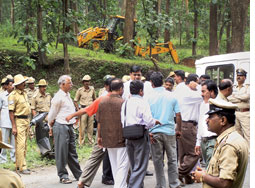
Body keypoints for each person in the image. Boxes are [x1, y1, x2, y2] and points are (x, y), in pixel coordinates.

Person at [66, 77, 114, 188]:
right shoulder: (117, 98)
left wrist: (72, 115)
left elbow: (88, 110)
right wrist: (73, 115)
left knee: (96, 156)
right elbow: (87, 109)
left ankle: (82, 181)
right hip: (111, 132)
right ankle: (130, 182)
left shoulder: (104, 98)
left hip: (103, 132)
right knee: (122, 157)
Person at [193, 98, 248, 188]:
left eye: (210, 117)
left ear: (223, 120)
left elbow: (225, 183)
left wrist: (203, 177)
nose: (207, 120)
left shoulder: (229, 145)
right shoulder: (231, 138)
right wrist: (205, 173)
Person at [121, 80, 160, 188]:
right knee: (141, 166)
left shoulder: (125, 103)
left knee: (134, 165)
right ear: (141, 91)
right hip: (140, 135)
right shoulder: (142, 102)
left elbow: (122, 120)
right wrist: (154, 121)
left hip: (128, 135)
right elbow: (148, 121)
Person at [148, 72, 181, 188]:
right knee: (172, 159)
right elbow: (178, 115)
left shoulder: (148, 97)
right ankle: (174, 183)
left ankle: (160, 185)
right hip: (170, 131)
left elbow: (146, 116)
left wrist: (148, 132)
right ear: (162, 82)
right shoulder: (172, 96)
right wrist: (178, 130)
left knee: (158, 161)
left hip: (154, 132)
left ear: (151, 83)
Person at [48, 75, 82, 184]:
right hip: (60, 125)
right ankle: (63, 175)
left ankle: (79, 174)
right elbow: (52, 114)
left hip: (69, 125)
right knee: (61, 152)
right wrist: (50, 126)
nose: (71, 85)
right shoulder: (58, 97)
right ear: (62, 84)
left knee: (72, 151)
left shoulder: (67, 95)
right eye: (69, 83)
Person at [97, 78, 129, 188]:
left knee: (115, 165)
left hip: (107, 139)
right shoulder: (123, 102)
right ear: (121, 89)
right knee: (123, 165)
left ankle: (119, 185)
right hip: (121, 139)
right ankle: (120, 186)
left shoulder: (102, 102)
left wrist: (99, 137)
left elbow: (99, 121)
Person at [174, 73, 203, 185]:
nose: (199, 85)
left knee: (183, 153)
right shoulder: (188, 94)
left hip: (182, 125)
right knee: (194, 153)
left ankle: (187, 178)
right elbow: (203, 95)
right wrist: (198, 86)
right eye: (198, 82)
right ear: (192, 82)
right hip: (188, 125)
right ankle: (179, 174)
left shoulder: (181, 90)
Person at [8, 74, 31, 174]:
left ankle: (19, 164)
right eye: (22, 83)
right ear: (17, 84)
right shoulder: (13, 96)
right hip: (19, 121)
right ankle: (23, 167)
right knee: (20, 144)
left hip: (26, 120)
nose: (24, 84)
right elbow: (11, 112)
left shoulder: (24, 93)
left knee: (24, 144)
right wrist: (14, 126)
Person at [195, 80, 218, 167]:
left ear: (211, 92)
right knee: (207, 167)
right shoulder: (202, 105)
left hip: (213, 140)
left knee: (211, 168)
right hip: (204, 140)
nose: (202, 94)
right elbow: (200, 123)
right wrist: (198, 142)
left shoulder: (218, 105)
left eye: (204, 91)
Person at [228, 68, 250, 148]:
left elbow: (246, 97)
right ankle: (241, 150)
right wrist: (240, 98)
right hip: (235, 112)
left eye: (241, 75)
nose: (239, 77)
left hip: (245, 113)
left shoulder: (248, 87)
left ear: (245, 77)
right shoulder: (233, 87)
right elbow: (229, 98)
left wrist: (235, 96)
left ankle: (250, 154)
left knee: (248, 134)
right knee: (237, 133)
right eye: (238, 75)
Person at [74, 75, 96, 145]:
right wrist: (78, 110)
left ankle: (90, 141)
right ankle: (81, 142)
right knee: (82, 127)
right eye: (85, 81)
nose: (87, 83)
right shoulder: (80, 90)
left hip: (91, 109)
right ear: (83, 82)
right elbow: (75, 101)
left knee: (90, 127)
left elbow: (95, 99)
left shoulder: (92, 89)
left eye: (88, 81)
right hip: (83, 109)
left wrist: (94, 109)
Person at [0, 79, 15, 164]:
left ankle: (13, 158)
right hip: (4, 121)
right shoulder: (2, 96)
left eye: (13, 85)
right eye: (10, 85)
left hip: (13, 122)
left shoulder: (15, 95)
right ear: (6, 86)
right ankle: (3, 159)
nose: (12, 86)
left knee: (13, 142)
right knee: (4, 142)